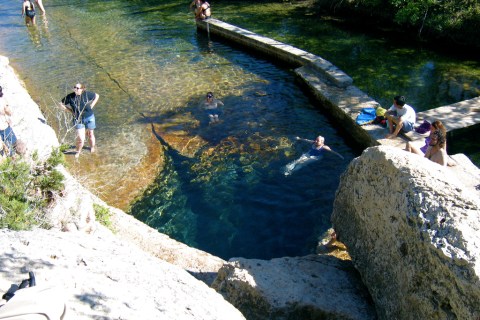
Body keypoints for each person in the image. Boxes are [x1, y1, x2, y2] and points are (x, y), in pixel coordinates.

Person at [60, 83, 100, 158]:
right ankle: (78, 151)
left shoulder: (86, 94)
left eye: (77, 88)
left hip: (89, 117)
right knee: (81, 138)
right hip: (78, 119)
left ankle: (92, 147)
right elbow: (61, 104)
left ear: (82, 89)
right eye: (74, 87)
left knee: (90, 134)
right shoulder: (70, 97)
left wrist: (92, 105)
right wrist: (71, 111)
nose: (75, 89)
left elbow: (97, 96)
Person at [0, 86, 18, 157]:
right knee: (13, 143)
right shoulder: (2, 101)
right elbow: (9, 112)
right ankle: (14, 157)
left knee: (2, 145)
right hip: (4, 127)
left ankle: (4, 155)